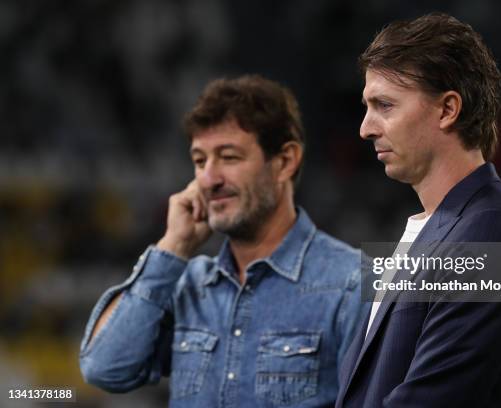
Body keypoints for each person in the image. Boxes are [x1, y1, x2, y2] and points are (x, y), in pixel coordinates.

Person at [79, 75, 367, 407]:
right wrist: (173, 246)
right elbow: (104, 369)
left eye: (228, 157)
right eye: (200, 161)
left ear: (285, 161)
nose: (209, 179)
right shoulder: (186, 284)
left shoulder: (354, 282)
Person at [336, 13, 501, 407]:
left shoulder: (491, 235)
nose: (365, 128)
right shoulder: (440, 227)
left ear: (448, 109)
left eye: (385, 105)